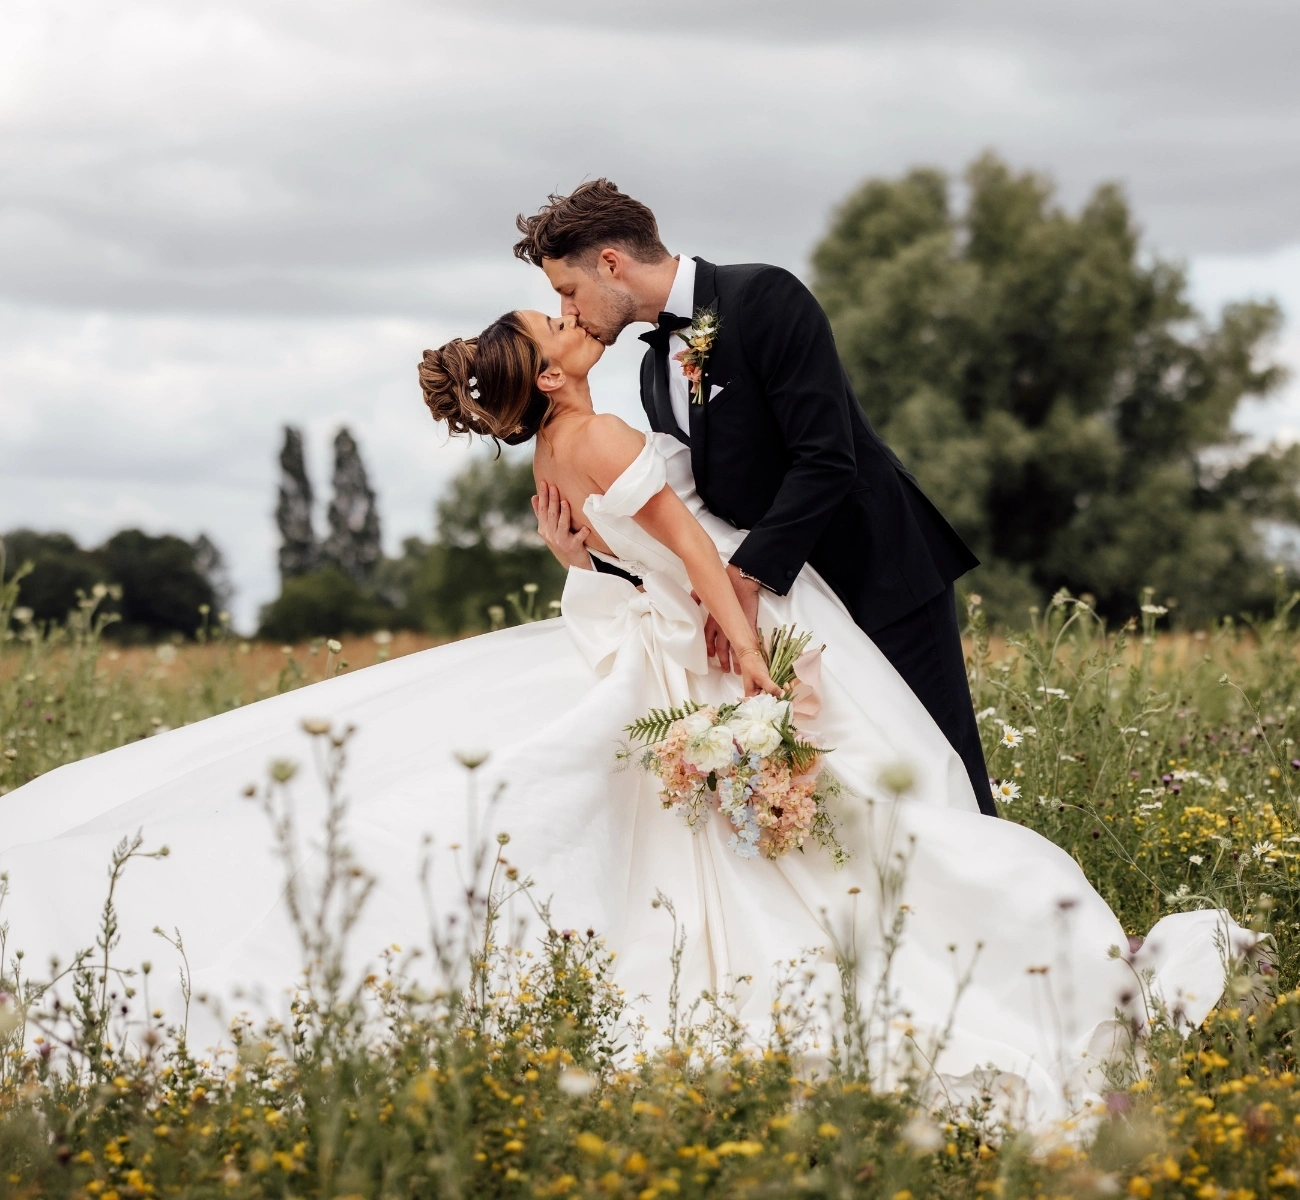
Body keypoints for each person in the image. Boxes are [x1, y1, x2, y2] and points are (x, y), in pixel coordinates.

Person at [0, 303, 1258, 1130]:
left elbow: (607, 559)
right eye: (556, 324)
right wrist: (757, 670)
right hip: (706, 647)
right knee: (864, 831)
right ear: (549, 373)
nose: (574, 323)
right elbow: (694, 555)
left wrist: (595, 569)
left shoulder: (556, 455)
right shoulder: (594, 431)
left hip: (644, 643)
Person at [513, 180, 997, 816]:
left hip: (877, 571)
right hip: (793, 606)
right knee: (862, 789)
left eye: (567, 290)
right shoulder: (649, 369)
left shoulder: (764, 297)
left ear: (611, 262)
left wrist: (747, 575)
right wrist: (589, 553)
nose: (569, 310)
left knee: (944, 768)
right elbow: (688, 510)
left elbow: (827, 457)